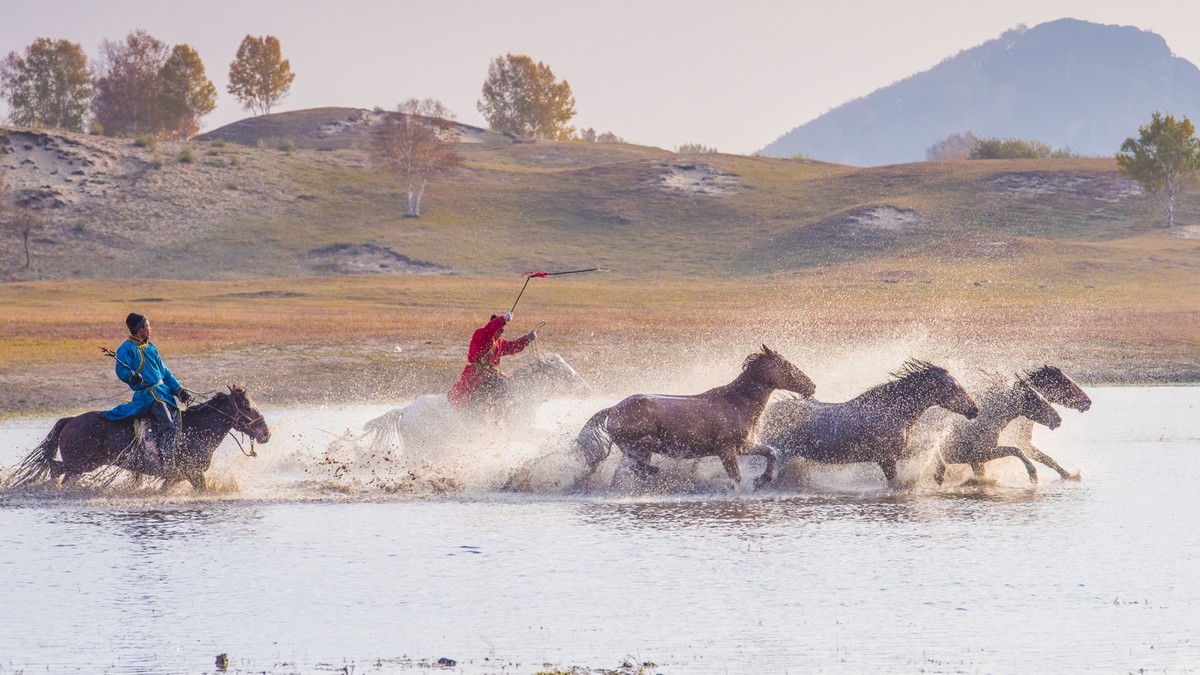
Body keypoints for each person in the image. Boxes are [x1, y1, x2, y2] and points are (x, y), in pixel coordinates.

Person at [103, 312, 193, 470]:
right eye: (148, 326)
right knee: (169, 426)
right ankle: (167, 466)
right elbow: (121, 370)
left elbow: (165, 372)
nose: (150, 329)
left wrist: (179, 390)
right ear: (140, 329)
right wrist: (132, 378)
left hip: (163, 393)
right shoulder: (126, 348)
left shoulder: (151, 347)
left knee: (180, 421)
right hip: (148, 397)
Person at [447, 312, 536, 414]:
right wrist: (503, 319)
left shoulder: (499, 343)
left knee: (507, 383)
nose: (500, 332)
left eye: (502, 331)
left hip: (490, 374)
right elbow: (490, 329)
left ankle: (502, 411)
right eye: (499, 329)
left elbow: (512, 347)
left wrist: (526, 339)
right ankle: (481, 410)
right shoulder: (482, 335)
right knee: (501, 383)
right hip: (476, 374)